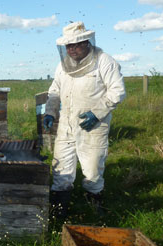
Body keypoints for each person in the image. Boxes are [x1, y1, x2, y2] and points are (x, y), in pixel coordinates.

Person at [43, 21, 126, 218]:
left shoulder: (104, 61)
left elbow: (117, 91)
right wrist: (50, 112)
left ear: (87, 42)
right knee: (61, 169)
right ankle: (58, 212)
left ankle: (93, 209)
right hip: (66, 126)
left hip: (93, 127)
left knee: (92, 170)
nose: (71, 49)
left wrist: (97, 112)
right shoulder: (63, 66)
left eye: (76, 44)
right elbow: (54, 91)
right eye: (68, 46)